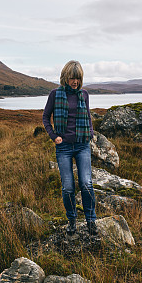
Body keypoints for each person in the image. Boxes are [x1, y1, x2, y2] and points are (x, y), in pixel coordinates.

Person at [43, 60, 97, 237]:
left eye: (78, 78)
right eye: (72, 78)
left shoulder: (84, 94)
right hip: (64, 147)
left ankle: (90, 221)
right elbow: (45, 118)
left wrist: (89, 132)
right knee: (67, 187)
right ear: (65, 77)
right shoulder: (54, 94)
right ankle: (72, 220)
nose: (75, 82)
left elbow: (88, 116)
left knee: (86, 184)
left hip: (82, 145)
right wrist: (54, 136)